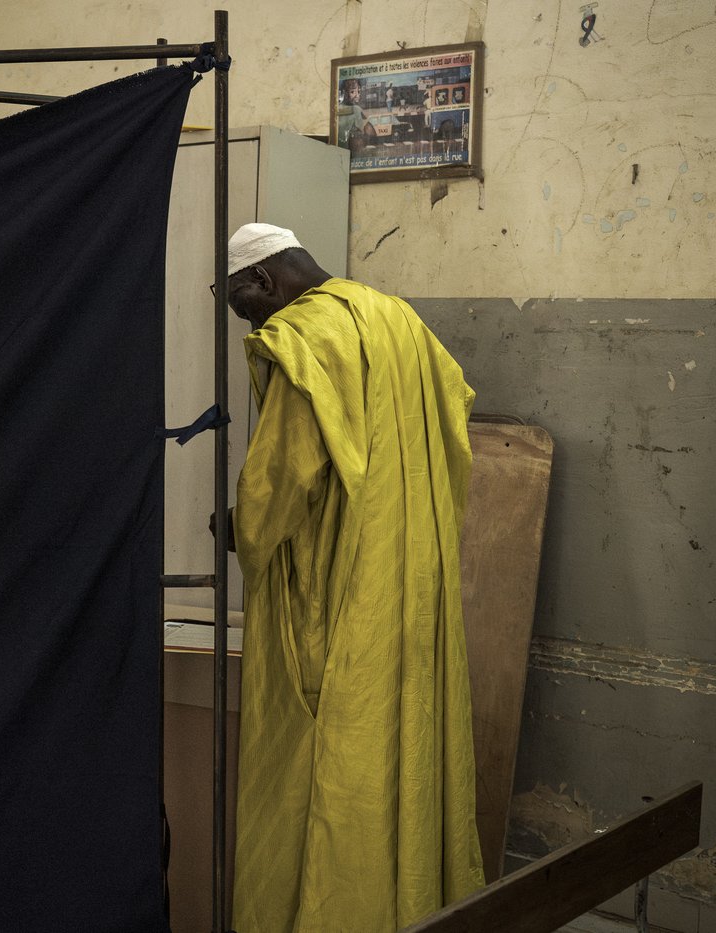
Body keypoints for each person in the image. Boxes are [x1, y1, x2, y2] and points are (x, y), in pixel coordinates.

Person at [220, 223, 485, 932]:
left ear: (264, 280)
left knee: (330, 765)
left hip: (341, 595)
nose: (249, 321)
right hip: (410, 581)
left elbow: (283, 478)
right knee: (403, 749)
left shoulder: (309, 335)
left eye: (241, 305)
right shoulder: (398, 318)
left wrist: (236, 526)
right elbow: (454, 419)